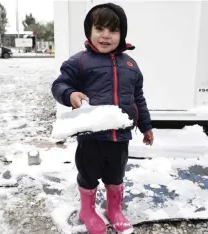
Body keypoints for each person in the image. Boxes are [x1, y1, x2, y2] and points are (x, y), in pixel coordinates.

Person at [51, 3, 153, 234]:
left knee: (116, 175)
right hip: (92, 137)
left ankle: (114, 210)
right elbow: (59, 85)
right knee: (88, 174)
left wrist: (146, 126)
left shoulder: (131, 65)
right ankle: (87, 211)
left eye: (113, 30)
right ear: (89, 31)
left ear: (122, 34)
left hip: (121, 136)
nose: (106, 36)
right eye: (100, 29)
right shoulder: (79, 61)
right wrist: (71, 94)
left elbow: (138, 98)